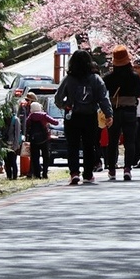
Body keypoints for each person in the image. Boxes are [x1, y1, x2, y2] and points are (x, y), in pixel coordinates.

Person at [55, 50, 114, 185]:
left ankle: (74, 173)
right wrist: (109, 114)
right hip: (90, 116)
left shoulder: (68, 79)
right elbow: (103, 99)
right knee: (89, 145)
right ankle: (88, 174)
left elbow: (58, 97)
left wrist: (65, 105)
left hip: (72, 116)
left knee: (73, 146)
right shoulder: (96, 79)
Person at [103, 45, 140, 181]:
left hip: (113, 111)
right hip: (130, 110)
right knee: (130, 141)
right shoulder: (135, 77)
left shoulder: (108, 77)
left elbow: (103, 93)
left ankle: (112, 169)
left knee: (112, 141)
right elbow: (138, 93)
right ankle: (127, 169)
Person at [24, 101, 58, 179]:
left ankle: (37, 174)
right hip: (44, 140)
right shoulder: (44, 115)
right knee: (46, 157)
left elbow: (27, 127)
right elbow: (55, 122)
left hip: (34, 140)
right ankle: (45, 174)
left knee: (35, 158)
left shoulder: (30, 117)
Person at [4, 107, 23, 180]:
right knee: (6, 161)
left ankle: (14, 176)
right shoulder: (3, 120)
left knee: (13, 161)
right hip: (5, 143)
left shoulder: (15, 120)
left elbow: (17, 133)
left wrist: (16, 145)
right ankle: (9, 176)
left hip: (13, 144)